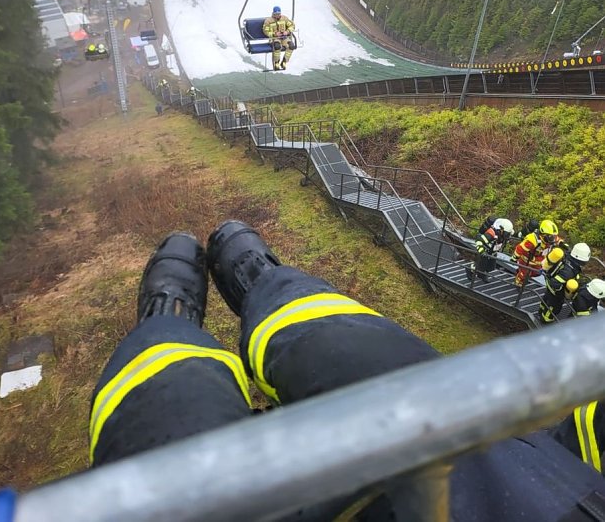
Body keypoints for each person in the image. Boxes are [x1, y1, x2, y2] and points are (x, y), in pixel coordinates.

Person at [88, 221, 605, 521]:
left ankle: (171, 321)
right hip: (530, 482)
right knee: (374, 362)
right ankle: (266, 287)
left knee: (165, 419)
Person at [539, 242, 591, 324]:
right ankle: (546, 319)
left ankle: (541, 310)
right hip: (555, 291)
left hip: (549, 282)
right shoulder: (569, 271)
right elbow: (555, 283)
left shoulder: (568, 257)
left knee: (546, 298)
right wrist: (561, 292)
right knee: (554, 306)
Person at [512, 219, 558, 287]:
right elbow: (520, 248)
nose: (553, 239)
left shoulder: (548, 241)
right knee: (524, 274)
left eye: (554, 237)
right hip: (527, 260)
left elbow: (557, 241)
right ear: (543, 234)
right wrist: (514, 257)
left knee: (537, 273)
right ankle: (518, 283)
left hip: (538, 261)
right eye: (551, 237)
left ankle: (524, 275)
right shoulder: (532, 240)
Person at [466, 217, 514, 283]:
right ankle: (470, 269)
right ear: (502, 230)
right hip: (485, 251)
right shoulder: (491, 234)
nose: (508, 236)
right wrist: (482, 251)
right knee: (480, 266)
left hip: (493, 252)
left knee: (491, 267)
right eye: (507, 234)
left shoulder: (502, 235)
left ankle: (483, 274)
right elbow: (479, 240)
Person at [262, 6, 295, 71]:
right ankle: (276, 62)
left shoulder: (284, 18)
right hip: (274, 38)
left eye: (279, 14)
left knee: (291, 46)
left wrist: (287, 31)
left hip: (284, 37)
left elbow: (292, 25)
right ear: (273, 14)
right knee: (277, 46)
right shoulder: (268, 21)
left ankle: (284, 61)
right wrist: (274, 34)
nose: (277, 16)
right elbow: (265, 31)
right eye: (276, 14)